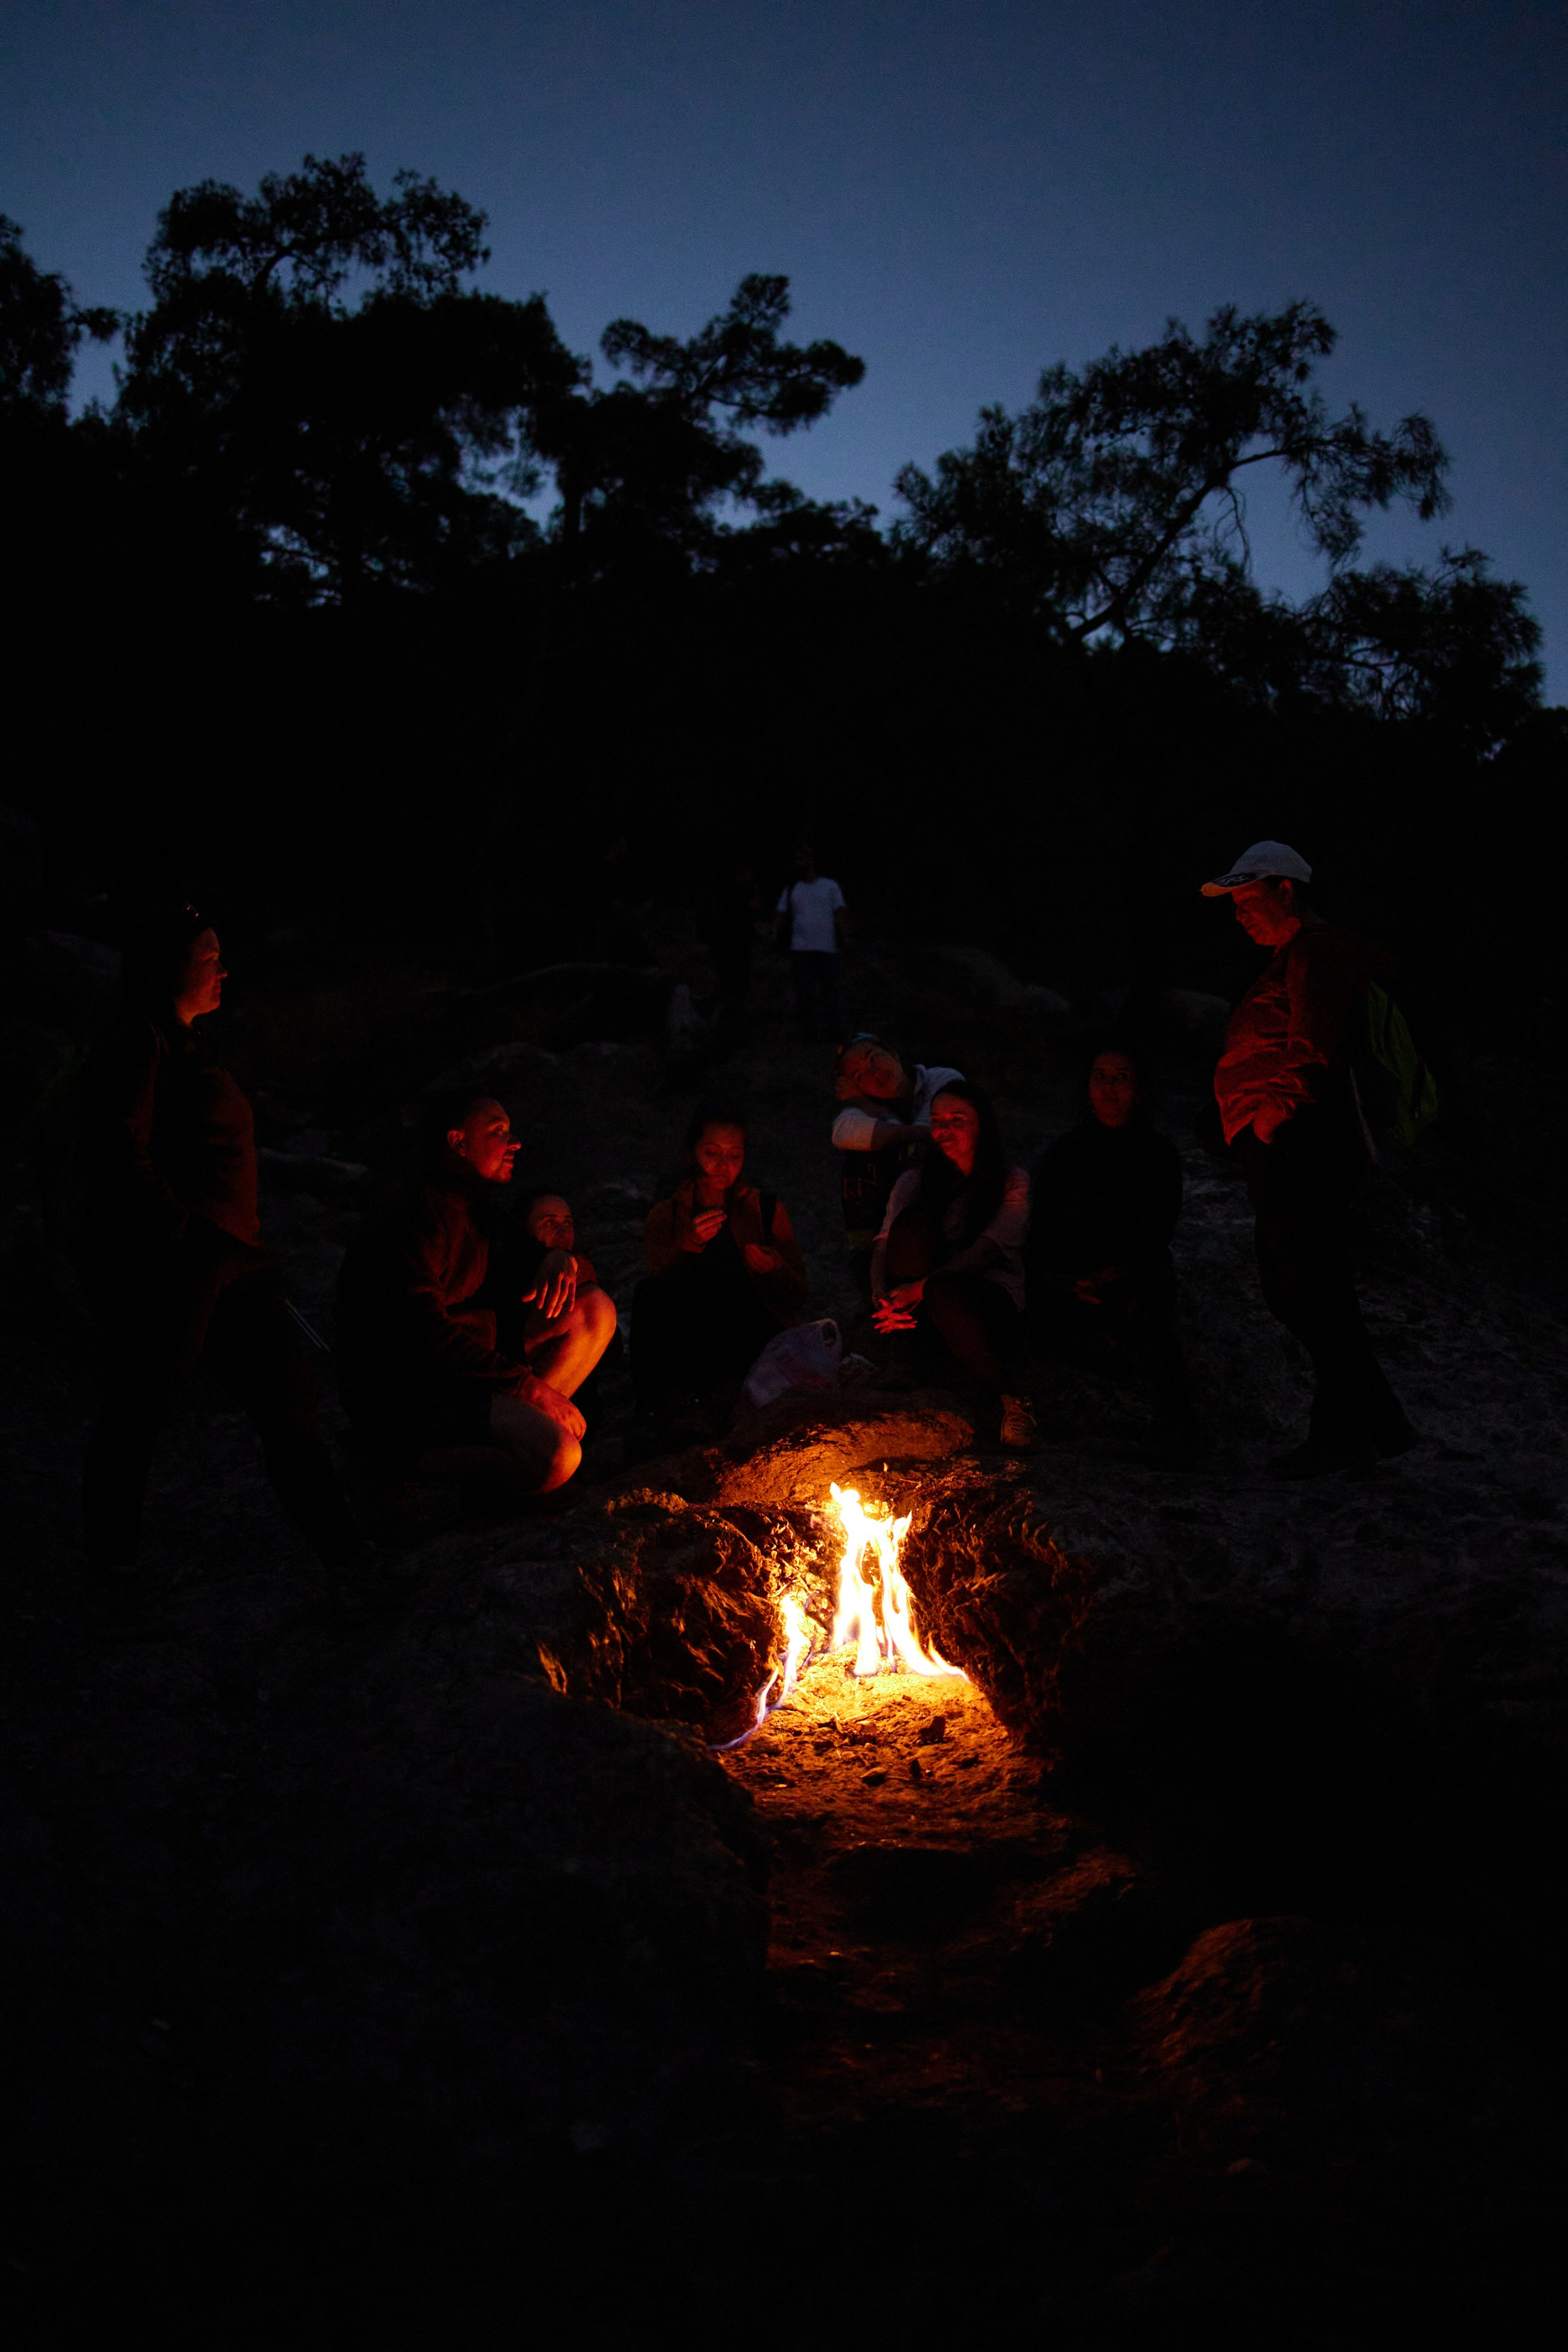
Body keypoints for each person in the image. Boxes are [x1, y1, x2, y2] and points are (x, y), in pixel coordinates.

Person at [68, 903, 365, 1591]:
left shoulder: (188, 1044)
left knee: (289, 1409)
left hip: (235, 1260)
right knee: (139, 1412)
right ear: (169, 968)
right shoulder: (138, 1043)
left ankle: (349, 1561)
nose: (223, 970)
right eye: (209, 959)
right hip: (180, 1264)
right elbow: (117, 1148)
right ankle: (112, 1580)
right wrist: (180, 1233)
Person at [1202, 839, 1419, 1477]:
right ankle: (1348, 1432)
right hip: (1292, 1142)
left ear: (1285, 891)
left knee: (1301, 1285)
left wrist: (1269, 1119)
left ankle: (1372, 1423)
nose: (1240, 915)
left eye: (1247, 900)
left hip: (1300, 1143)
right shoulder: (1299, 955)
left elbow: (1313, 1045)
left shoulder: (1317, 950)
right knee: (1310, 1286)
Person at [335, 1095, 592, 1500]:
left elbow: (526, 1262)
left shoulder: (478, 1207)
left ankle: (517, 1440)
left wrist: (559, 1257)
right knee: (559, 1458)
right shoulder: (414, 1214)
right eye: (498, 1132)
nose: (515, 1143)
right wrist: (530, 1389)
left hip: (467, 1373)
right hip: (416, 1392)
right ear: (458, 1142)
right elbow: (422, 1335)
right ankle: (397, 1463)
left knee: (592, 1310)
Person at [1027, 1046, 1200, 1464]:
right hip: (1068, 1279)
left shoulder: (1157, 1152)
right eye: (1100, 1076)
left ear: (1138, 1088)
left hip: (1132, 1275)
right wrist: (1064, 1279)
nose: (1109, 1086)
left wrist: (1111, 1275)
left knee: (1149, 1316)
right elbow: (1044, 1225)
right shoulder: (1065, 1152)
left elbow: (1158, 1227)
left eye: (1121, 1076)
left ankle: (1178, 1431)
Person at [870, 1079, 1035, 1448]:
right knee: (911, 1225)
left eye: (957, 1119)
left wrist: (920, 1288)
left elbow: (989, 1249)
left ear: (982, 1125)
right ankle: (905, 1352)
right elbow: (884, 1243)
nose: (944, 1129)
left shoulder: (1011, 1182)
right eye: (937, 1120)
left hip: (987, 1304)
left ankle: (1012, 1401)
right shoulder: (915, 1182)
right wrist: (880, 1292)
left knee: (944, 1290)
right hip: (923, 1304)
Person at [631, 1101, 807, 1427]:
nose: (723, 1165)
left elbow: (798, 1295)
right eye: (712, 1153)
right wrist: (687, 1246)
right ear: (692, 1152)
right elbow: (656, 1293)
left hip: (752, 1332)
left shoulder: (765, 1209)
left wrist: (774, 1268)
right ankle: (659, 1412)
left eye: (735, 1156)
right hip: (691, 1334)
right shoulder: (666, 1216)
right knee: (648, 1293)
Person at [831, 1035, 963, 1299]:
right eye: (860, 1076)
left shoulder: (942, 1080)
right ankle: (866, 1254)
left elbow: (935, 1136)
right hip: (898, 1202)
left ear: (893, 1051)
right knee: (858, 1159)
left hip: (949, 1191)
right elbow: (842, 1132)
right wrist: (869, 1107)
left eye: (874, 1058)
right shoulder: (871, 1107)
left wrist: (895, 1131)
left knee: (919, 1154)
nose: (874, 1073)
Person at [497, 1188, 620, 1430]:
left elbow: (611, 1354)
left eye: (568, 1222)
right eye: (549, 1222)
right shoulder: (506, 1272)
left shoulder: (579, 1270)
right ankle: (524, 1428)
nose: (562, 1230)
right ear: (523, 1228)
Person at [775, 843, 846, 1041]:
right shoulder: (792, 888)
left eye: (803, 858)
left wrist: (844, 937)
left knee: (829, 991)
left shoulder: (830, 886)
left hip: (826, 947)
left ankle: (833, 1030)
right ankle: (809, 1032)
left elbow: (839, 913)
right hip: (801, 948)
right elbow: (781, 914)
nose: (799, 863)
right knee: (804, 992)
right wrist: (774, 935)